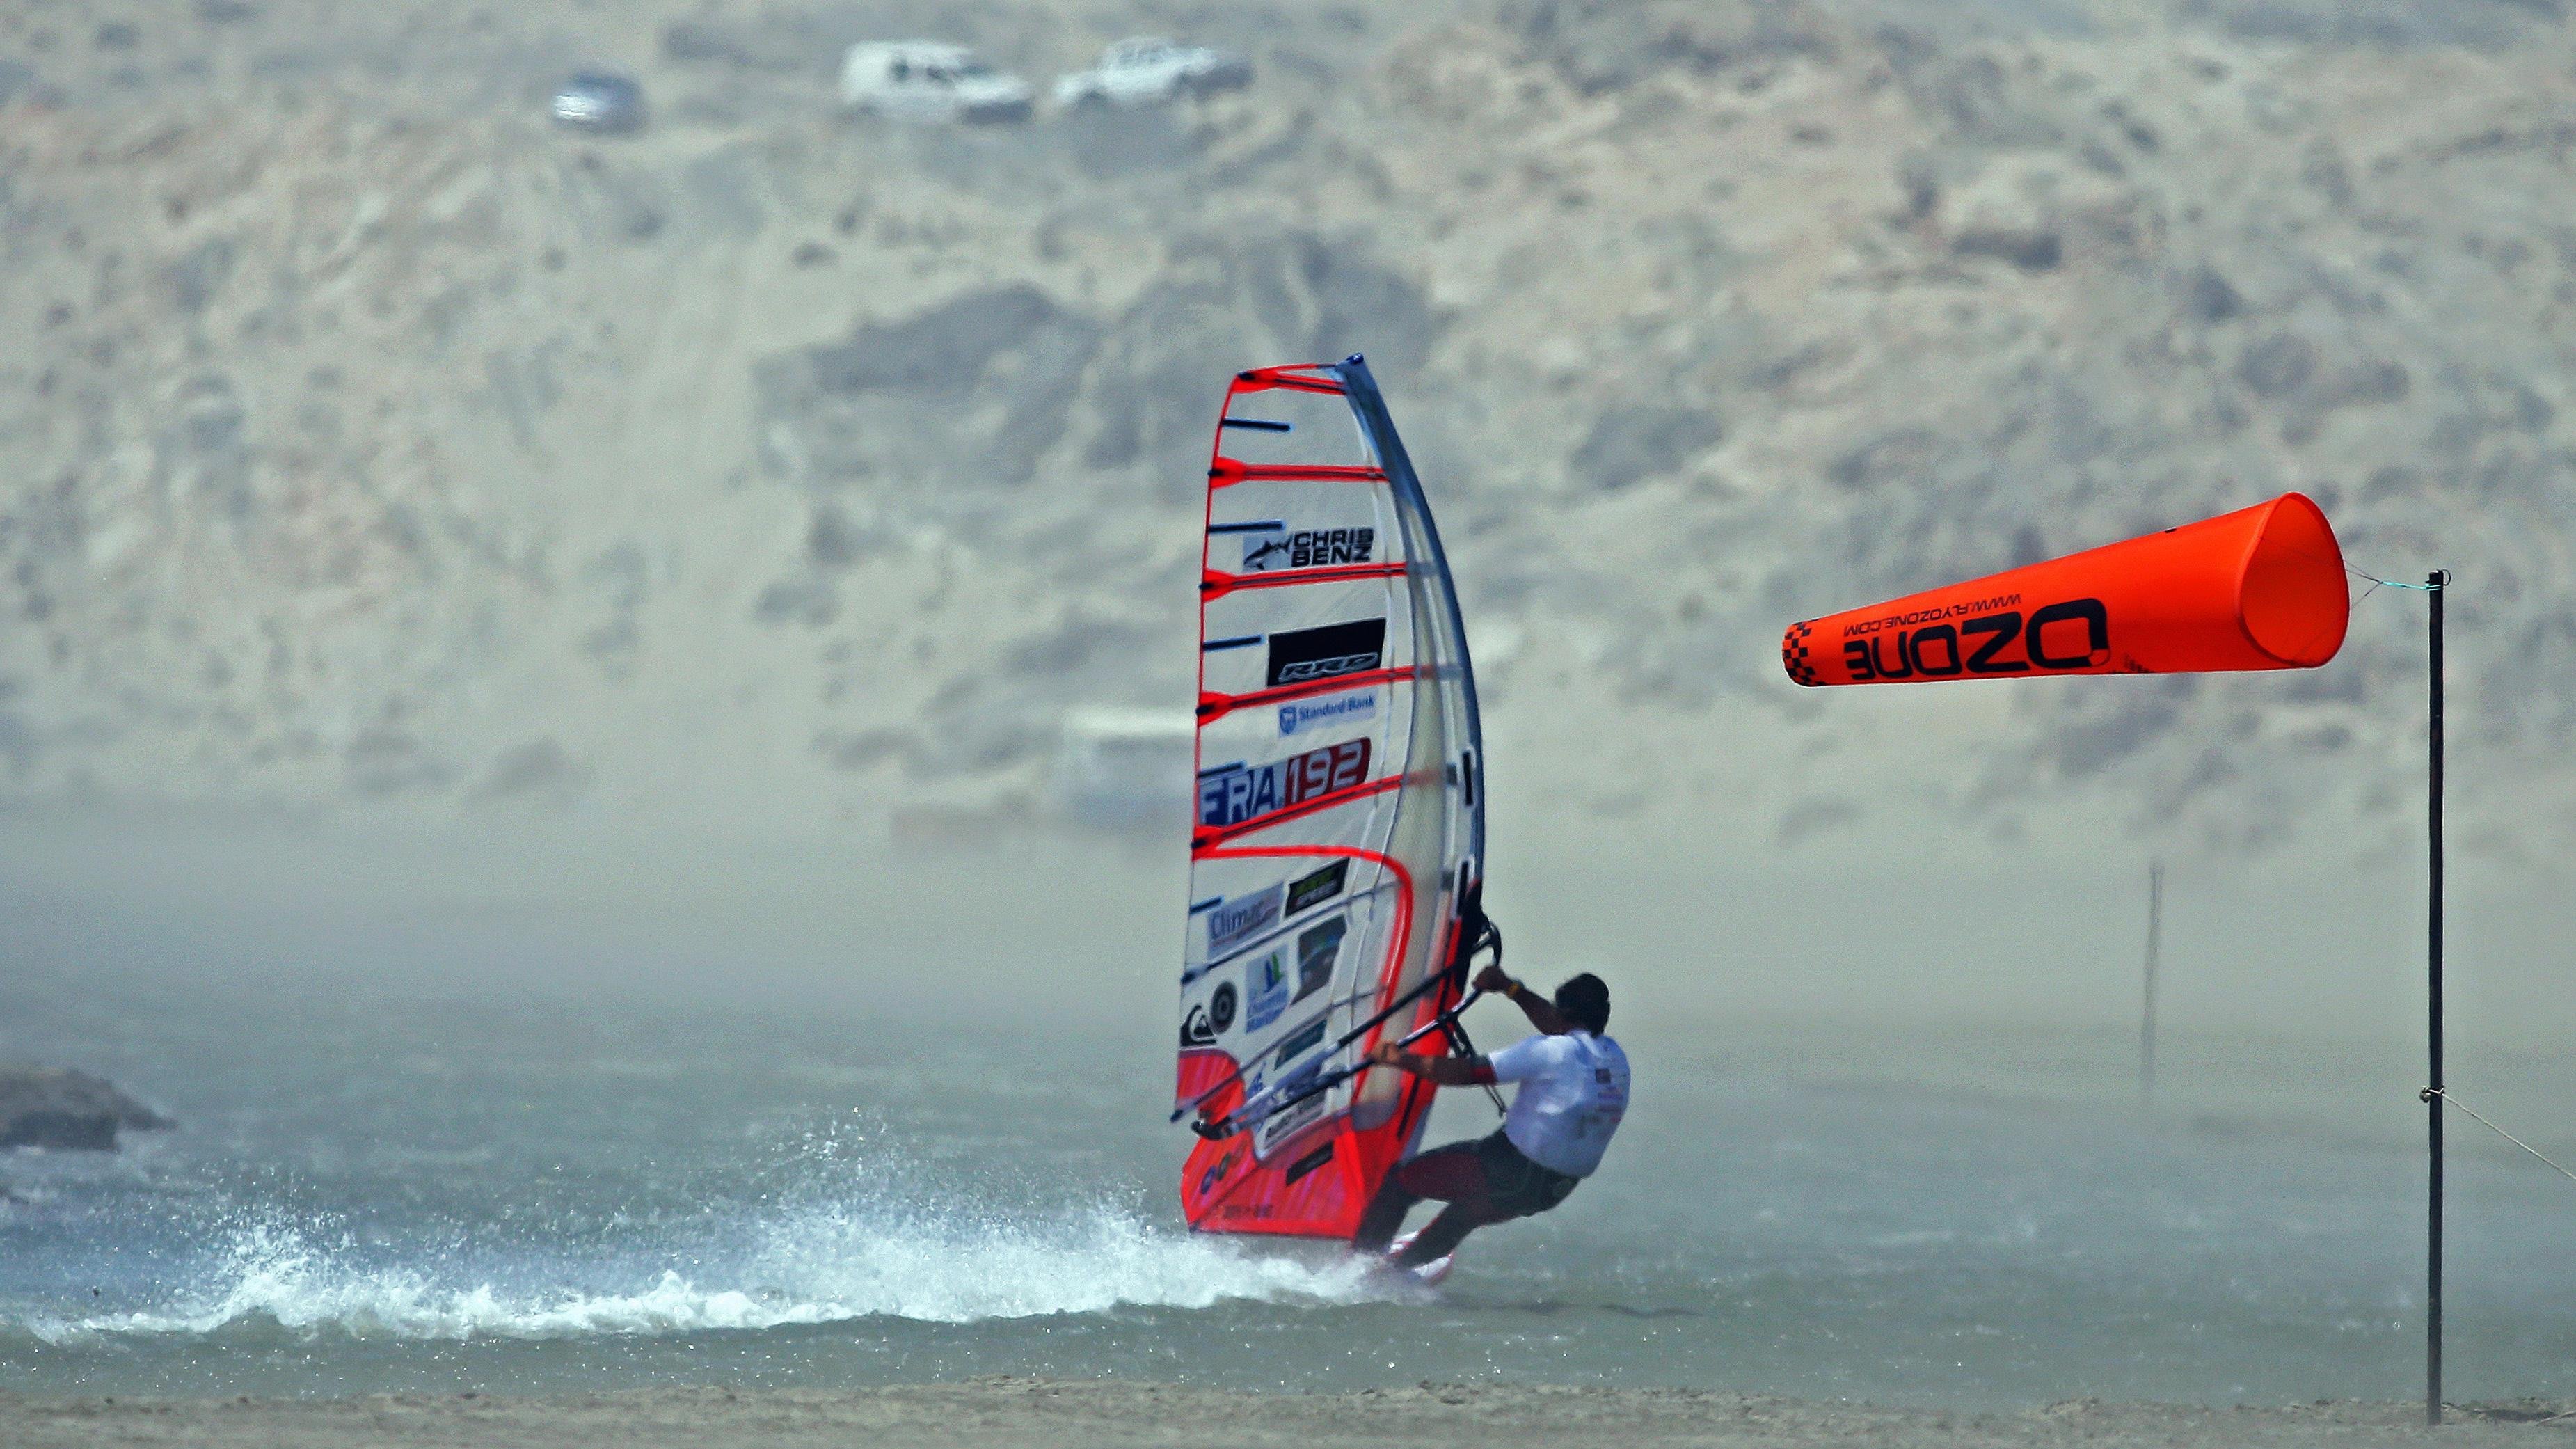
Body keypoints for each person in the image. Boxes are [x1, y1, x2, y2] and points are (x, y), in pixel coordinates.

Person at [1350, 965, 1630, 1269]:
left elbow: (1467, 1073)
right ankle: (1398, 1272)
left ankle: (1357, 1268)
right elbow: (1557, 1024)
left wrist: (1398, 1059)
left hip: (1506, 1167)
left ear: (1562, 1012)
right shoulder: (1615, 1057)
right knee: (1464, 1214)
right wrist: (1511, 988)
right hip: (1551, 1190)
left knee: (1401, 1182)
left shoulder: (1552, 1051)